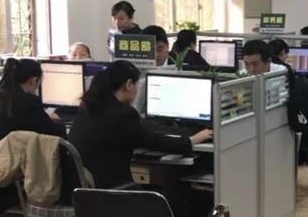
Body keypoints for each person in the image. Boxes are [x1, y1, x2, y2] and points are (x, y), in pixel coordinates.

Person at [69, 61, 212, 189]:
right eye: (137, 85)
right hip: (113, 191)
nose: (137, 90)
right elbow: (154, 142)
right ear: (128, 85)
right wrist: (192, 140)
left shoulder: (87, 107)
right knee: (173, 192)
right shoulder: (123, 114)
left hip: (86, 193)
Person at [0, 58, 66, 156]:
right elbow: (53, 133)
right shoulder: (29, 102)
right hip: (14, 162)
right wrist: (57, 121)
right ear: (33, 80)